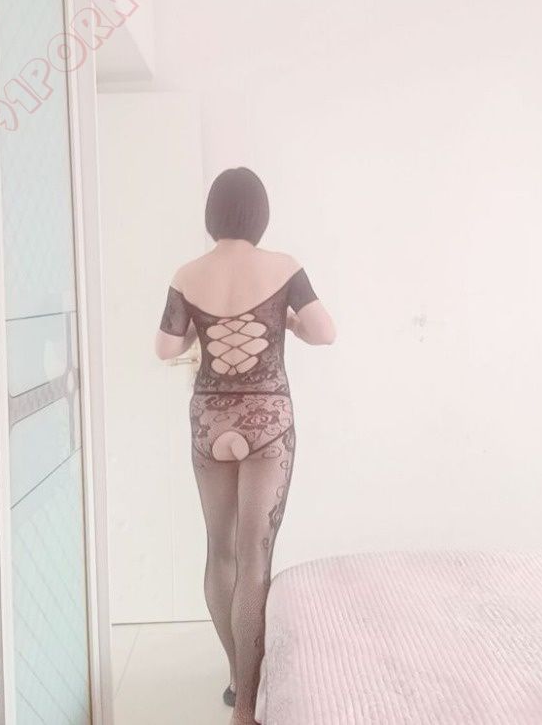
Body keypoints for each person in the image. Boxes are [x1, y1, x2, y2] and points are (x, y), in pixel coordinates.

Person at [156, 167, 336, 725]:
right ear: (260, 214)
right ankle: (250, 707)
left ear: (212, 214)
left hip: (210, 419)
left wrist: (200, 329)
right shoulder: (284, 267)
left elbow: (165, 349)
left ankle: (237, 677)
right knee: (255, 557)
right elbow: (325, 331)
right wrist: (287, 322)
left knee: (220, 551)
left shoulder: (188, 274)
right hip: (267, 420)